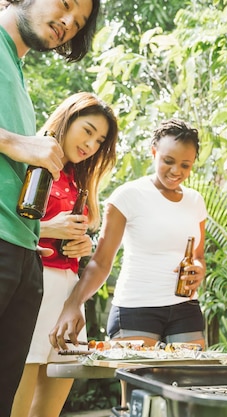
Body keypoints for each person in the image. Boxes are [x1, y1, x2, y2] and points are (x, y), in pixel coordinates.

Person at [0, 0, 101, 413]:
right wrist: (14, 142)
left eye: (77, 23)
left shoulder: (17, 74)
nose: (67, 23)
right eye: (65, 4)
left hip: (24, 258)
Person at [50, 119, 207, 351]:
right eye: (168, 161)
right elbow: (102, 262)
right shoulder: (128, 196)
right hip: (136, 308)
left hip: (186, 308)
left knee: (189, 384)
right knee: (138, 386)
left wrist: (199, 269)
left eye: (186, 165)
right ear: (154, 152)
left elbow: (198, 256)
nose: (176, 171)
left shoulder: (195, 201)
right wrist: (73, 304)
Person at [10, 92, 118, 417]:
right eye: (87, 131)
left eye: (99, 141)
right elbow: (10, 223)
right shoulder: (28, 158)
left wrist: (81, 247)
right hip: (32, 290)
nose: (91, 145)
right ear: (67, 119)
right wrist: (47, 228)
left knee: (49, 410)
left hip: (68, 296)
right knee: (16, 404)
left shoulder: (79, 181)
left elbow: (69, 235)